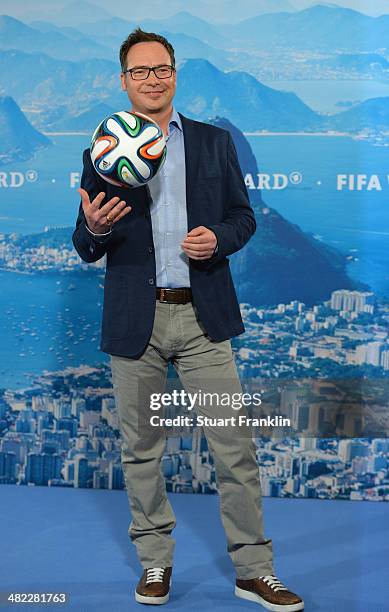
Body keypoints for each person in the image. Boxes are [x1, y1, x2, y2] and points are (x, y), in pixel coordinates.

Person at [72, 28, 304, 611]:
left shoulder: (212, 142)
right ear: (124, 81)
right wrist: (96, 229)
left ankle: (254, 570)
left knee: (234, 448)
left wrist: (218, 239)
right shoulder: (101, 152)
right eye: (140, 71)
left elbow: (244, 218)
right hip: (135, 321)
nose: (153, 78)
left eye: (162, 68)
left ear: (175, 73)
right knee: (141, 450)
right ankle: (154, 564)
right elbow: (85, 241)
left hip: (203, 322)